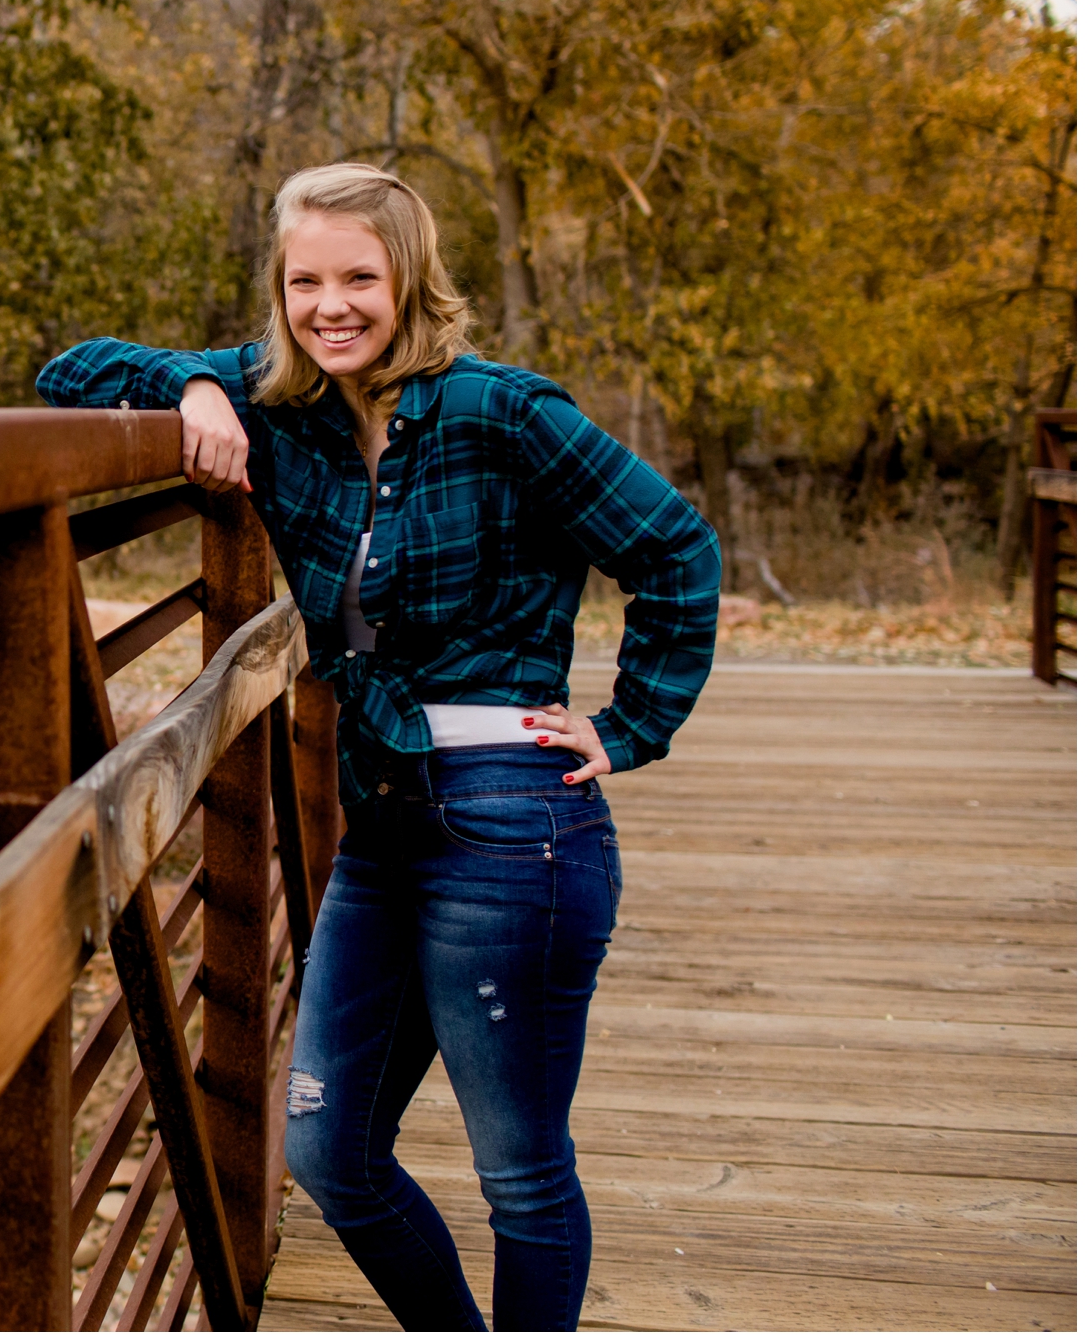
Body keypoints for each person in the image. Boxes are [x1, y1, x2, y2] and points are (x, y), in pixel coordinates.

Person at [36, 162, 720, 1331]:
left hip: (515, 819)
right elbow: (70, 371)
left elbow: (676, 546)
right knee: (327, 1145)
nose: (331, 304)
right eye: (305, 280)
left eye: (360, 276)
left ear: (411, 278)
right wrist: (199, 386)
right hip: (382, 817)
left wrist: (629, 721)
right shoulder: (282, 414)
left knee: (520, 1168)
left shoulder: (502, 412)